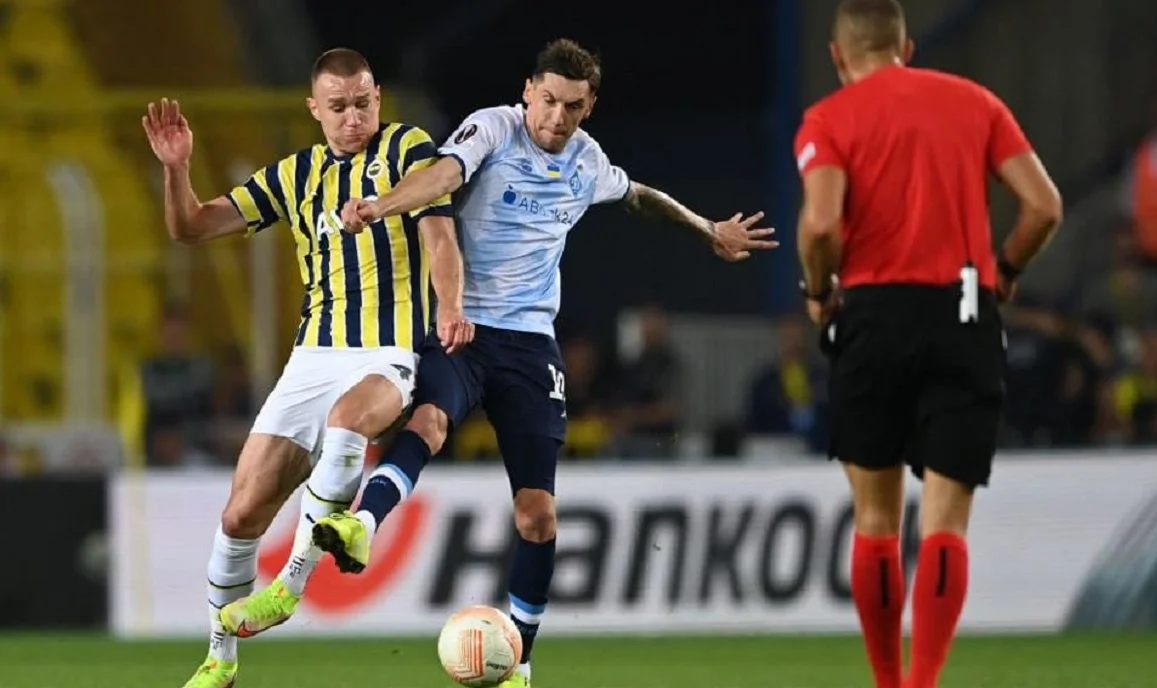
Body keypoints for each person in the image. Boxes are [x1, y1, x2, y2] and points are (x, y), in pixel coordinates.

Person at [303, 38, 774, 688]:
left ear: (589, 107)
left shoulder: (587, 162)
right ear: (528, 91)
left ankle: (518, 661)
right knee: (430, 423)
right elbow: (445, 175)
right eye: (548, 100)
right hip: (463, 326)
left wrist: (708, 229)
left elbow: (639, 195)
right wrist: (382, 206)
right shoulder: (494, 129)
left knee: (538, 515)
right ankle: (361, 523)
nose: (556, 117)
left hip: (529, 347)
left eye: (572, 106)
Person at [142, 48, 473, 688]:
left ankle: (289, 586)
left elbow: (440, 239)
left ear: (378, 98)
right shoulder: (294, 175)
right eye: (339, 107)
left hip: (387, 352)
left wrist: (450, 306)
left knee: (350, 422)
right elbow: (190, 227)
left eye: (364, 103)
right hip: (310, 359)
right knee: (239, 517)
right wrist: (177, 169)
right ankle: (219, 659)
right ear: (314, 109)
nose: (354, 118)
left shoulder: (407, 149)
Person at [793, 2, 1062, 687]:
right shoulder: (976, 103)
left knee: (877, 520)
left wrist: (818, 291)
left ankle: (889, 683)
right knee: (945, 524)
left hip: (870, 316)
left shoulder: (828, 119)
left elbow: (820, 223)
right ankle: (925, 683)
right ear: (907, 46)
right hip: (964, 309)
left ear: (837, 55)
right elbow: (1044, 206)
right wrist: (1006, 270)